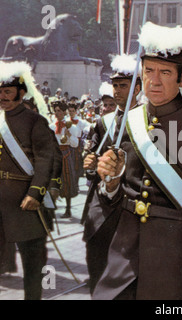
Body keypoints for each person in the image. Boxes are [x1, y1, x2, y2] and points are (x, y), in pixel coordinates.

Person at [92, 22, 182, 300]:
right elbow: (109, 197)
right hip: (124, 250)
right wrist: (110, 182)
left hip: (178, 253)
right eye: (149, 71)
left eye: (165, 73)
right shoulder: (127, 122)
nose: (154, 81)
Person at [81, 54, 142, 294]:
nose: (117, 91)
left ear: (137, 88)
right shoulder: (103, 122)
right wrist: (89, 162)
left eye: (123, 86)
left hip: (131, 202)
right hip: (101, 202)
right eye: (115, 86)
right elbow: (92, 155)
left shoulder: (149, 120)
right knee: (96, 257)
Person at [0, 61, 59, 299]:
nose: (2, 96)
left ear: (21, 93)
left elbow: (46, 160)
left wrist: (35, 193)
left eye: (7, 91)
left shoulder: (35, 121)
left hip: (24, 203)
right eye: (0, 91)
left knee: (32, 263)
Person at [49, 100, 80, 218]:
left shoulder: (71, 126)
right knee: (53, 180)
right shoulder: (51, 126)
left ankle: (68, 209)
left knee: (66, 180)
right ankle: (52, 207)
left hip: (66, 154)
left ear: (64, 112)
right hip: (54, 154)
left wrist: (69, 135)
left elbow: (75, 144)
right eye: (55, 111)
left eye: (59, 111)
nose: (57, 113)